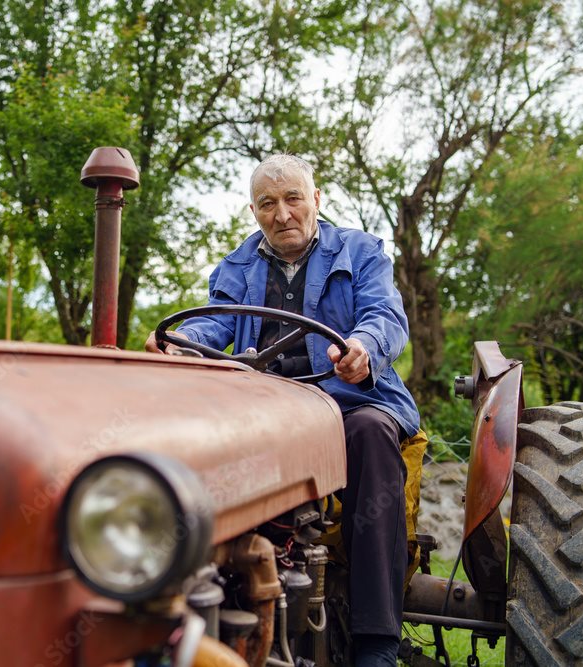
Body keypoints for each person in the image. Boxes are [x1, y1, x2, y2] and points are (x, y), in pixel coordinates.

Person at [144, 154, 420, 667]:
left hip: (348, 401)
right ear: (254, 211)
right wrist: (180, 343)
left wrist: (363, 347)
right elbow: (213, 325)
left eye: (294, 198)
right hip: (264, 406)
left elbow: (384, 314)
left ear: (317, 200)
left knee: (372, 436)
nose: (282, 213)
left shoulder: (361, 252)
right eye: (268, 203)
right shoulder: (236, 266)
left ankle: (376, 640)